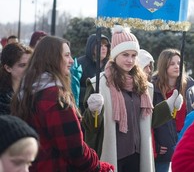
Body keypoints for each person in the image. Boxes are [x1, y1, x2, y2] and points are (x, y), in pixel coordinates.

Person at [82, 25, 182, 172]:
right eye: (125, 54)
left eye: (134, 55)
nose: (130, 60)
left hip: (137, 156)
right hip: (112, 154)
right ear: (115, 55)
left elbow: (148, 119)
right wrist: (93, 111)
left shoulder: (143, 85)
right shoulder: (99, 84)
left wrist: (169, 105)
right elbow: (91, 127)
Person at [10, 36, 114, 171]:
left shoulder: (27, 90)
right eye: (66, 55)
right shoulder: (54, 98)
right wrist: (100, 166)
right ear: (52, 58)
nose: (71, 61)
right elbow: (75, 150)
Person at [151, 48, 194, 172]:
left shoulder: (187, 88)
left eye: (179, 63)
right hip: (163, 144)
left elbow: (191, 115)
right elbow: (150, 119)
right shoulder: (153, 89)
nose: (177, 66)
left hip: (183, 140)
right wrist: (155, 145)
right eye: (172, 64)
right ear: (163, 66)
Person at [77, 33, 111, 113]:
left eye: (106, 45)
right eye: (100, 45)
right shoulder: (81, 64)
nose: (103, 48)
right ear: (91, 47)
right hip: (85, 110)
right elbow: (74, 87)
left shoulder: (110, 65)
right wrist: (90, 92)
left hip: (106, 109)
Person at [0, 43, 33, 115]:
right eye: (22, 65)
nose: (29, 69)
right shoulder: (2, 97)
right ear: (8, 68)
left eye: (30, 64)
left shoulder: (34, 89)